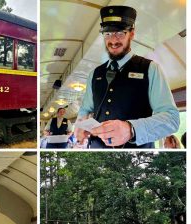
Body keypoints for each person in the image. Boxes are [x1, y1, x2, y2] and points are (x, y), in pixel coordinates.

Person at [75, 5, 179, 148]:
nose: (113, 40)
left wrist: (130, 129)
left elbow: (172, 119)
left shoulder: (150, 69)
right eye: (108, 34)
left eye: (120, 33)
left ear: (132, 34)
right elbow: (86, 109)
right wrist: (80, 124)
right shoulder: (95, 73)